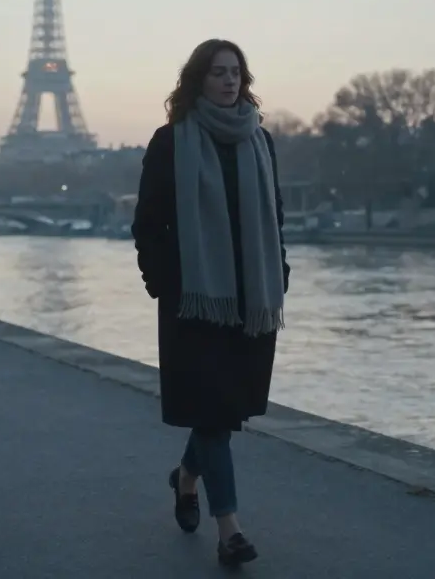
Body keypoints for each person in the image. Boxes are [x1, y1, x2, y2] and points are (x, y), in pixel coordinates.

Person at [131, 38, 290, 568]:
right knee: (216, 415)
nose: (229, 81)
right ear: (196, 80)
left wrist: (279, 276)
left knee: (223, 412)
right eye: (218, 72)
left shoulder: (261, 142)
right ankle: (230, 531)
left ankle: (186, 478)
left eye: (236, 73)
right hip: (196, 302)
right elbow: (148, 224)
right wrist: (166, 285)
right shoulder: (171, 142)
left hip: (250, 301)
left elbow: (276, 218)